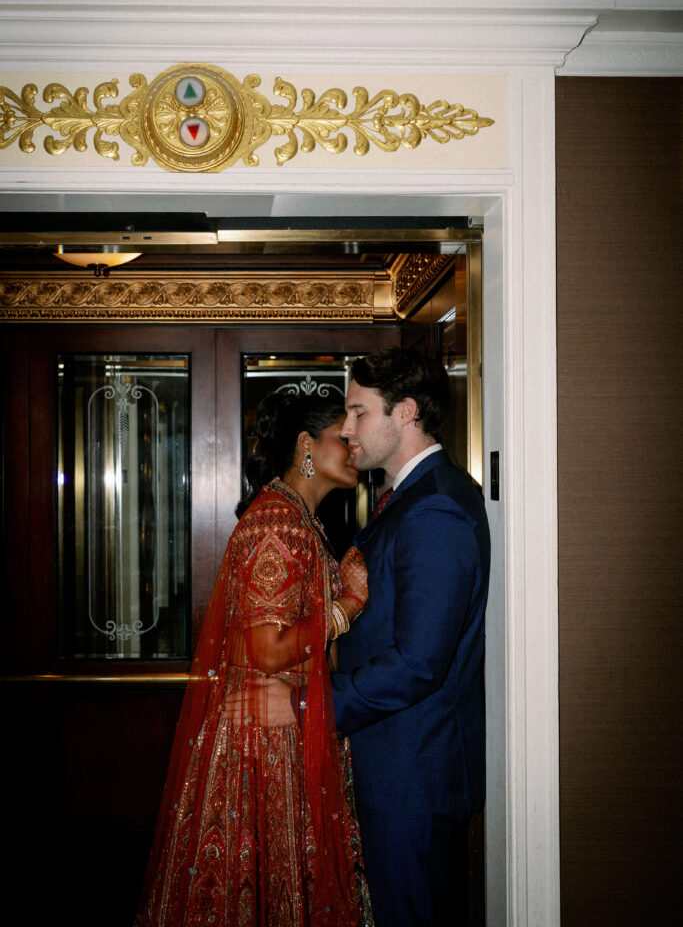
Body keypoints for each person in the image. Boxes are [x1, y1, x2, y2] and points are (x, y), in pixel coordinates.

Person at [136, 392, 372, 927]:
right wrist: (349, 606)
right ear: (306, 445)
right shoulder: (280, 522)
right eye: (343, 433)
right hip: (268, 736)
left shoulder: (295, 517)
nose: (355, 443)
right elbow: (266, 651)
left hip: (279, 724)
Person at [332, 347, 491, 927]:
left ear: (405, 412)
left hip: (413, 780)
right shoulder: (413, 497)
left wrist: (312, 703)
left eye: (358, 412)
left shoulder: (436, 508)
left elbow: (420, 661)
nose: (346, 429)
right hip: (398, 770)